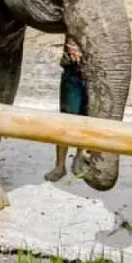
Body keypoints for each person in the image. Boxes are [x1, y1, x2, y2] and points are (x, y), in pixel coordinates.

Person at [45, 37, 90, 181]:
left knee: (87, 120)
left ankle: (80, 159)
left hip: (93, 75)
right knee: (65, 122)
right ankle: (60, 166)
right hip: (73, 72)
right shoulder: (73, 23)